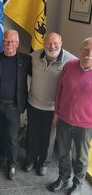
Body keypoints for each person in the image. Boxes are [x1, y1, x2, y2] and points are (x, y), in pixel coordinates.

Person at [25, 32, 76, 176]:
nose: (52, 46)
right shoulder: (34, 56)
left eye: (55, 43)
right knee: (32, 134)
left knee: (48, 138)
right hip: (33, 103)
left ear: (61, 43)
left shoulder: (70, 61)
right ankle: (30, 160)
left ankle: (43, 163)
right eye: (48, 43)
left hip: (53, 108)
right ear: (43, 43)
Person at [48, 37, 92, 195]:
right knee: (63, 153)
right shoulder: (69, 66)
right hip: (64, 120)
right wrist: (57, 113)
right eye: (86, 49)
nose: (89, 53)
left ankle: (78, 183)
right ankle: (63, 178)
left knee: (80, 157)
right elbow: (59, 91)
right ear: (80, 51)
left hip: (86, 125)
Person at [0, 30, 32, 180]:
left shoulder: (26, 60)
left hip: (13, 106)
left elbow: (40, 74)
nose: (10, 44)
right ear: (2, 42)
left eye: (13, 41)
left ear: (18, 43)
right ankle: (2, 155)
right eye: (7, 41)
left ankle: (12, 164)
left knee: (12, 137)